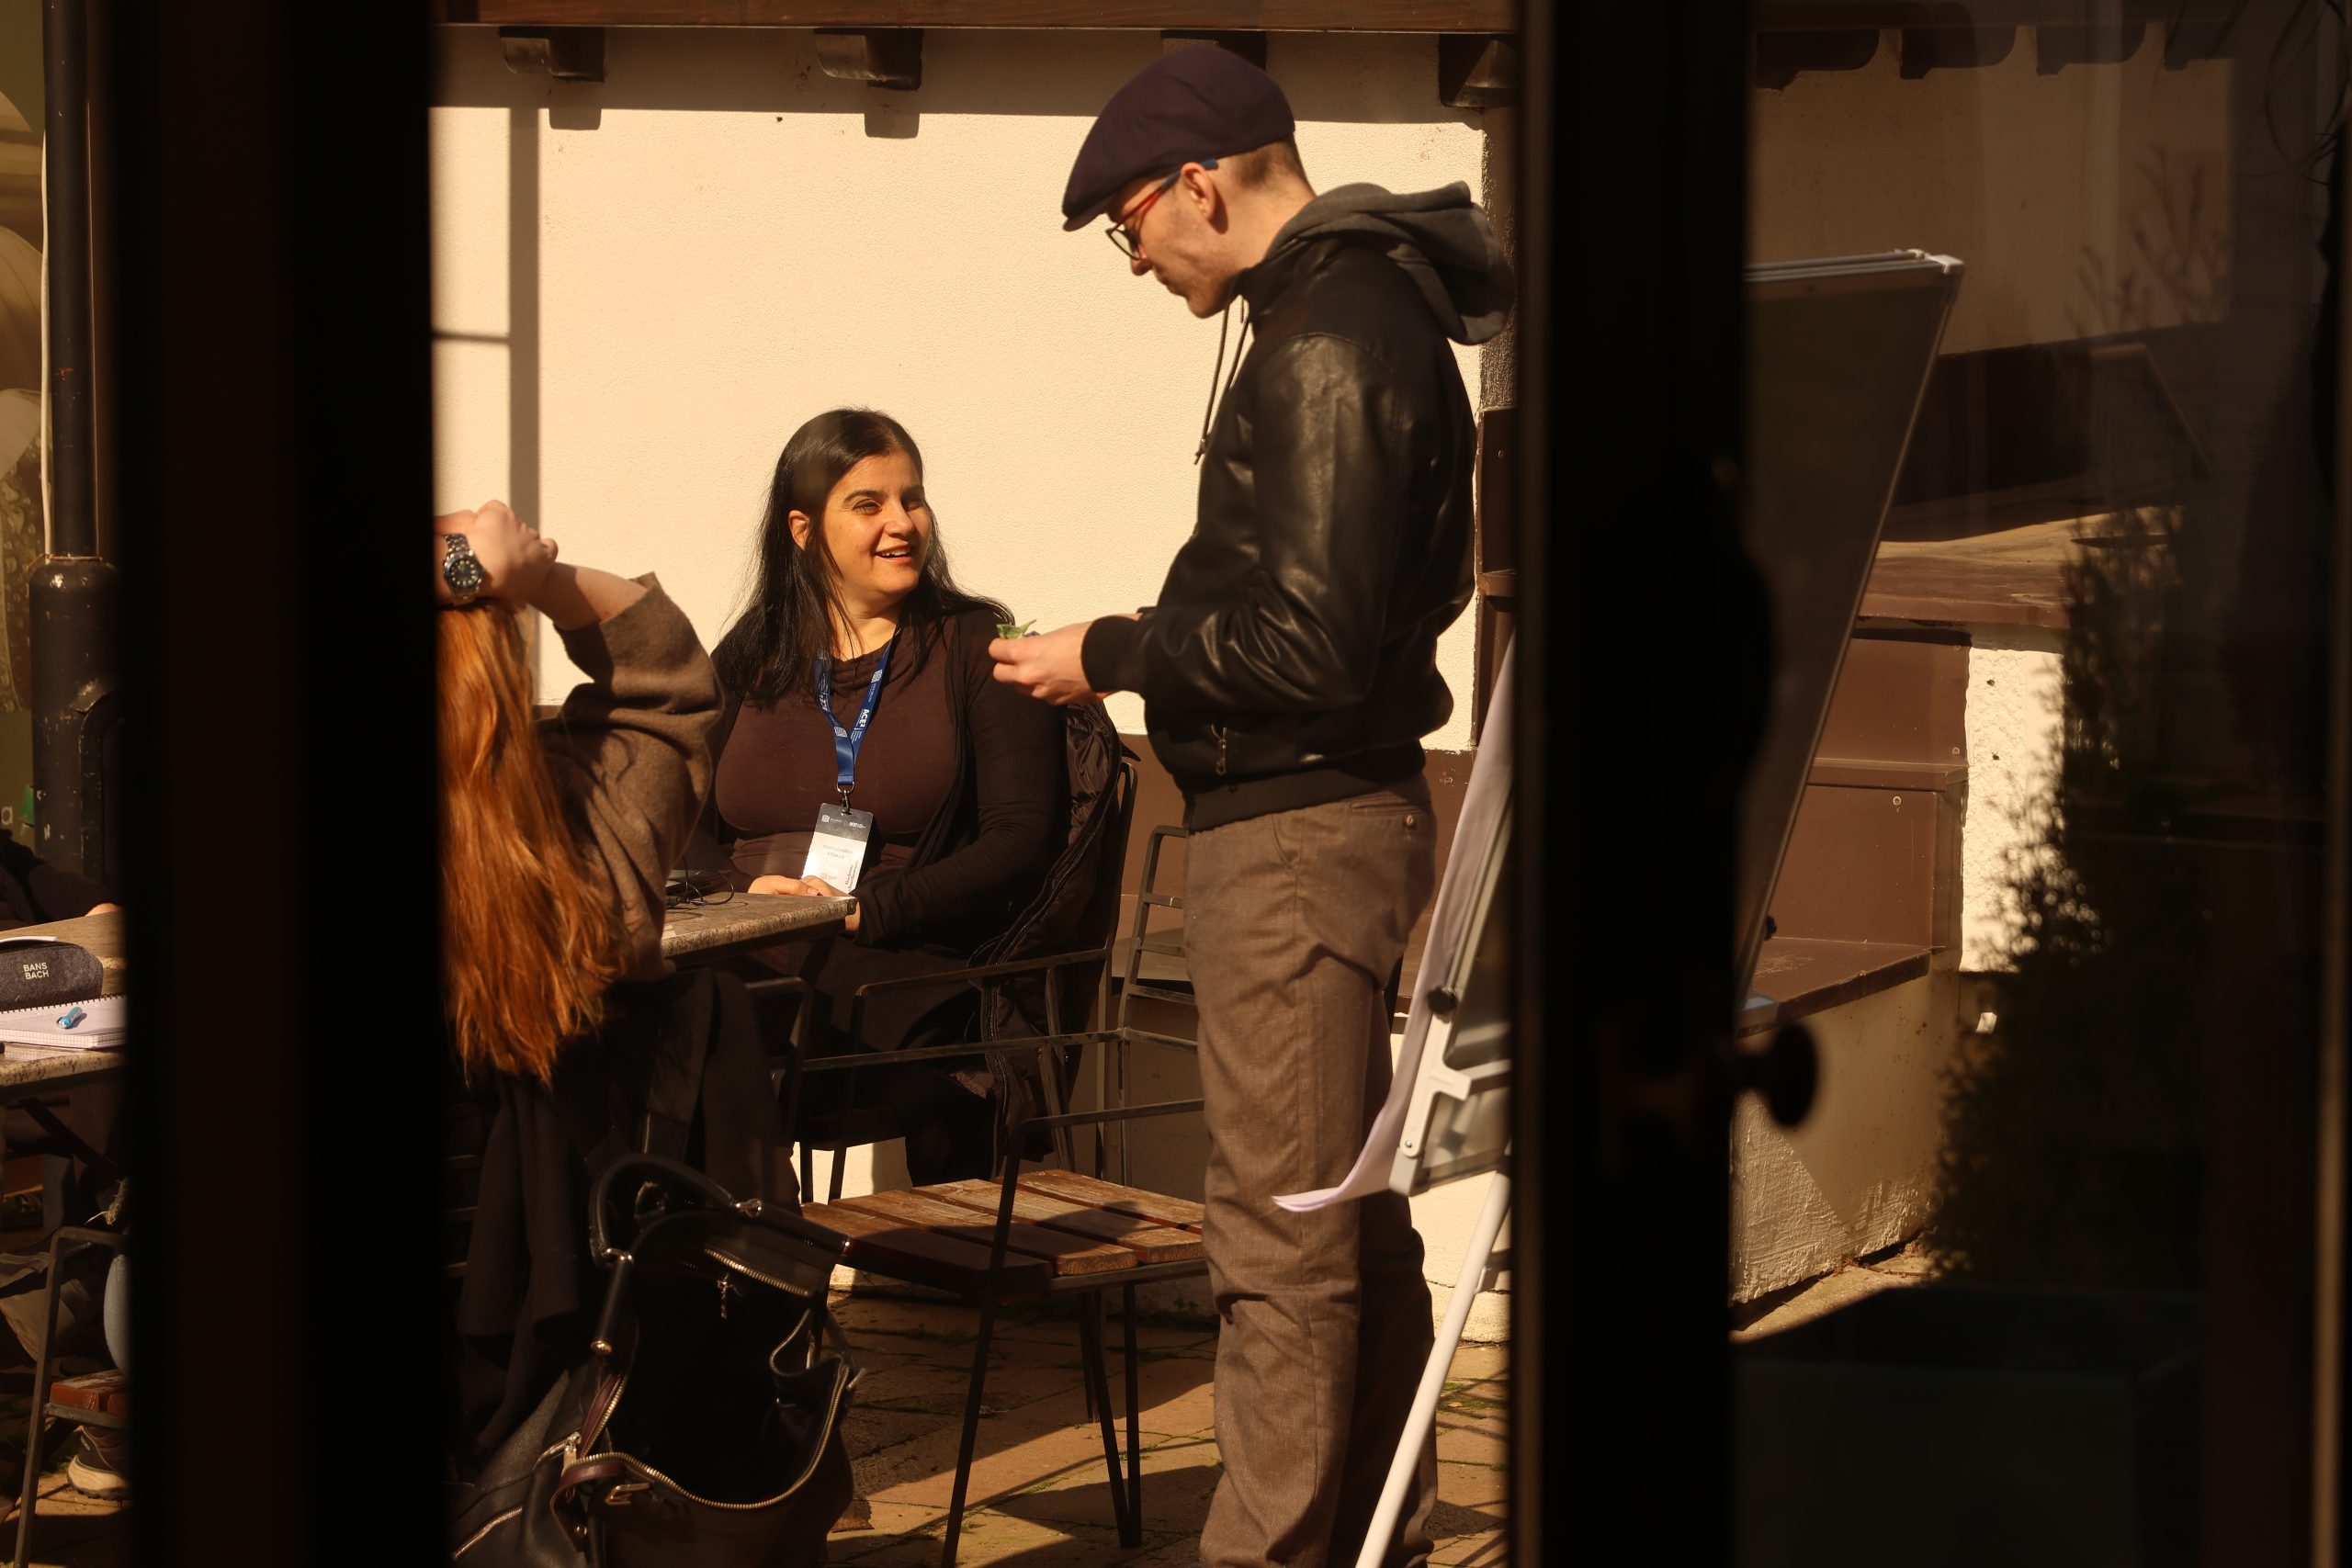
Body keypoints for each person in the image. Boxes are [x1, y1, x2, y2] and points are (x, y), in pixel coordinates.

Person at [988, 46, 1512, 1568]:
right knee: (1343, 1212)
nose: (1134, 259)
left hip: (1293, 842)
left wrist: (1116, 651)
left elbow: (1311, 643)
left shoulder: (1329, 334)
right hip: (1329, 821)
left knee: (1279, 1238)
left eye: (1130, 227)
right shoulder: (1348, 311)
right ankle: (1374, 1535)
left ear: (1198, 186)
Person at [434, 499, 789, 1472]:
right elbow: (666, 689)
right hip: (567, 1340)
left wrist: (463, 569)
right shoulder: (594, 847)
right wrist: (529, 580)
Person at [696, 408, 1069, 1185]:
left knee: (736, 1036)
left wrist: (869, 908)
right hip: (748, 944)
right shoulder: (753, 649)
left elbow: (1022, 836)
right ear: (804, 530)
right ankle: (701, 1233)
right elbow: (680, 819)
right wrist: (737, 894)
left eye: (913, 498)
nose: (902, 522)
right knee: (651, 1017)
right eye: (868, 504)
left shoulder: (973, 643)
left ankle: (759, 1229)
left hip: (896, 952)